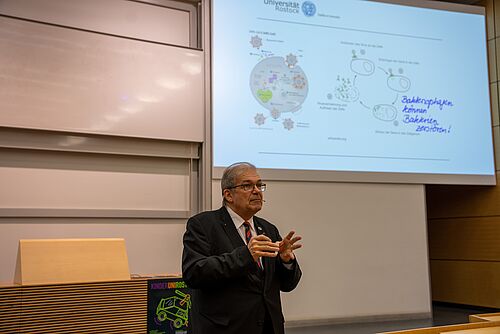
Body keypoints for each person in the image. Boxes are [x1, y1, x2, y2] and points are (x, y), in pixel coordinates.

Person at [182, 162, 302, 334]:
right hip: (225, 328)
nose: (257, 191)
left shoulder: (268, 229)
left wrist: (286, 261)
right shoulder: (203, 225)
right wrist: (246, 255)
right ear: (228, 194)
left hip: (268, 327)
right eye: (247, 185)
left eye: (259, 185)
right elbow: (194, 273)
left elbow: (287, 285)